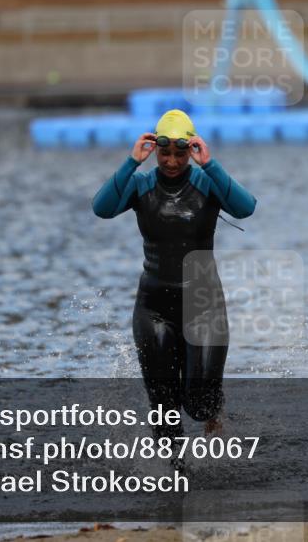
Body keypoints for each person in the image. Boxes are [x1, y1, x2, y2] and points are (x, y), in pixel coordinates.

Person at [92, 109, 256, 447]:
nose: (170, 161)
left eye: (179, 154)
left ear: (190, 151)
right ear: (154, 150)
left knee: (199, 404)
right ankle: (172, 475)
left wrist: (210, 164)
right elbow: (102, 208)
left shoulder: (206, 182)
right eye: (164, 153)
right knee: (164, 408)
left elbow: (246, 207)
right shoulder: (140, 185)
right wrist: (130, 162)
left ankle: (214, 411)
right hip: (154, 307)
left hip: (204, 304)